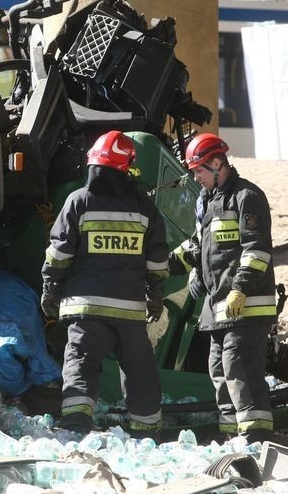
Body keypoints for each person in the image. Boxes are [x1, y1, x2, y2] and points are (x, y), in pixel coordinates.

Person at [41, 131, 168, 437]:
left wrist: (50, 289)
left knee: (81, 366)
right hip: (129, 311)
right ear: (128, 168)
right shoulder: (144, 208)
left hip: (85, 309)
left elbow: (59, 254)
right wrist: (155, 296)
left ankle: (75, 430)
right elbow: (157, 262)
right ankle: (147, 436)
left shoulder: (77, 202)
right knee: (140, 373)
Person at [169, 133, 276, 443]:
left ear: (217, 164)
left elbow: (256, 251)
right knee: (219, 369)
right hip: (218, 310)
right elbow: (198, 247)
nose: (195, 178)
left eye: (198, 170)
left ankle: (256, 438)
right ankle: (233, 438)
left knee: (238, 366)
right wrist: (161, 265)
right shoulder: (211, 202)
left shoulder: (247, 197)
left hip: (247, 306)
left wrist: (240, 289)